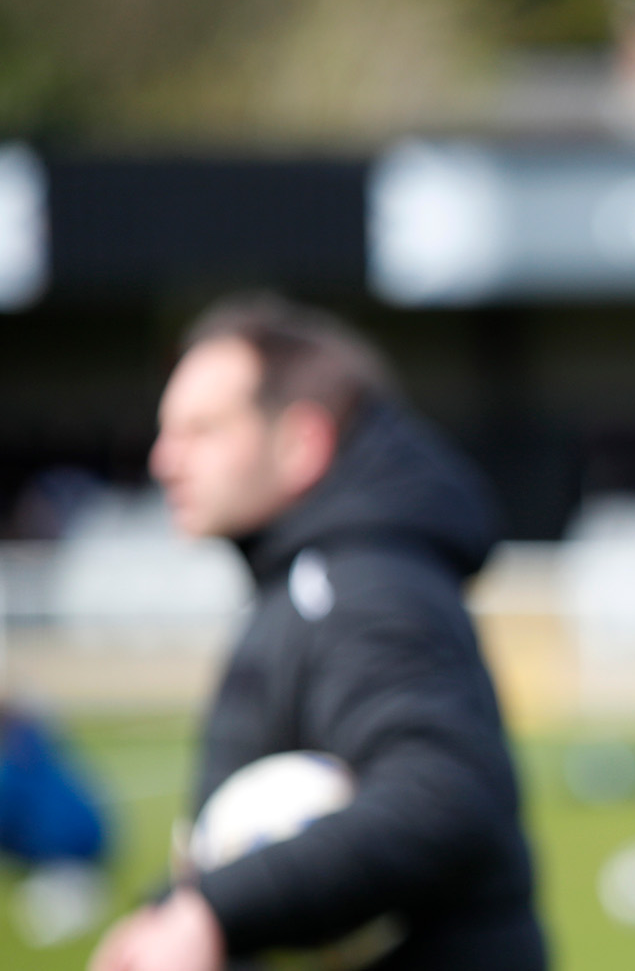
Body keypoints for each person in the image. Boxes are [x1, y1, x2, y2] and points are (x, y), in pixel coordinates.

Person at [91, 296, 544, 971]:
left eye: (201, 430)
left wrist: (212, 909)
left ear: (303, 442)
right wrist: (171, 913)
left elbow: (440, 793)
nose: (164, 459)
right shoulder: (315, 575)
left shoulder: (361, 583)